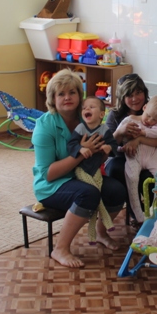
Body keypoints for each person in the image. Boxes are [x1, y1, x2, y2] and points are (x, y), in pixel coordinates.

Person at [32, 69, 127, 268]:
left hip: (83, 177)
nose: (67, 97)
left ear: (79, 95)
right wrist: (82, 153)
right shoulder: (44, 126)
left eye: (72, 92)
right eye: (61, 94)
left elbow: (100, 153)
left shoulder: (87, 118)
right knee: (88, 194)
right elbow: (48, 174)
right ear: (53, 99)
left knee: (117, 190)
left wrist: (104, 150)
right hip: (52, 185)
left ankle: (101, 233)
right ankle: (60, 249)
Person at [105, 74, 157, 217]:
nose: (135, 98)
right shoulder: (115, 115)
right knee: (117, 170)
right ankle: (135, 212)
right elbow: (108, 146)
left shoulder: (155, 108)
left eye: (138, 93)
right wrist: (120, 132)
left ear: (145, 93)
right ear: (122, 97)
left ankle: (156, 212)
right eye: (129, 95)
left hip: (154, 158)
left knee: (150, 178)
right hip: (123, 158)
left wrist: (139, 140)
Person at [67, 96, 118, 241]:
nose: (86, 109)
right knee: (95, 192)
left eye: (91, 107)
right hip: (81, 169)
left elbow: (114, 145)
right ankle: (106, 220)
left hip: (95, 170)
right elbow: (71, 144)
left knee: (98, 192)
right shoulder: (81, 128)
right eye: (84, 108)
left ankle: (93, 234)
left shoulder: (104, 130)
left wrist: (109, 147)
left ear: (101, 114)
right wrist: (80, 149)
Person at [113, 95, 157, 223]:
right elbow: (116, 137)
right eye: (148, 116)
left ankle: (155, 209)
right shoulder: (130, 120)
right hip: (134, 157)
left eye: (154, 119)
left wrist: (142, 133)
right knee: (132, 178)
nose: (149, 121)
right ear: (144, 108)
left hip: (151, 158)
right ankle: (139, 216)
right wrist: (122, 142)